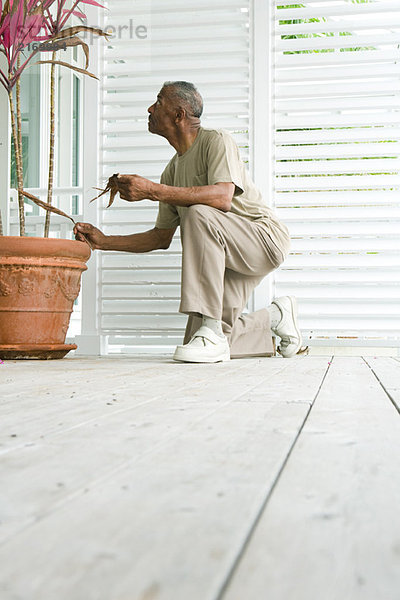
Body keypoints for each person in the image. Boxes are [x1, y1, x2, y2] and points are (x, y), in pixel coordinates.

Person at [74, 81, 304, 363]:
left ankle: (212, 330)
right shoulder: (172, 170)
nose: (150, 108)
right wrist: (104, 242)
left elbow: (222, 197)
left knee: (198, 211)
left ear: (179, 115)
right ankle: (275, 317)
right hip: (224, 256)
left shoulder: (216, 140)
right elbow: (160, 238)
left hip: (263, 241)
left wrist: (151, 190)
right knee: (198, 343)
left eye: (158, 102)